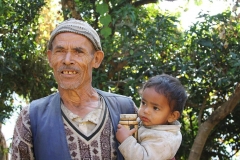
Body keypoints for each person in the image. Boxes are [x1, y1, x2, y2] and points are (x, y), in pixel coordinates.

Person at [11, 18, 137, 160]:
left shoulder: (125, 110)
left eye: (78, 52)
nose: (67, 60)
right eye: (60, 51)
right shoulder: (31, 117)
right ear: (50, 57)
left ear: (96, 59)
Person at [116, 74, 188, 160]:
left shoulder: (164, 139)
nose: (146, 110)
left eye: (155, 108)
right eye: (143, 103)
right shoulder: (151, 122)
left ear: (172, 116)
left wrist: (125, 140)